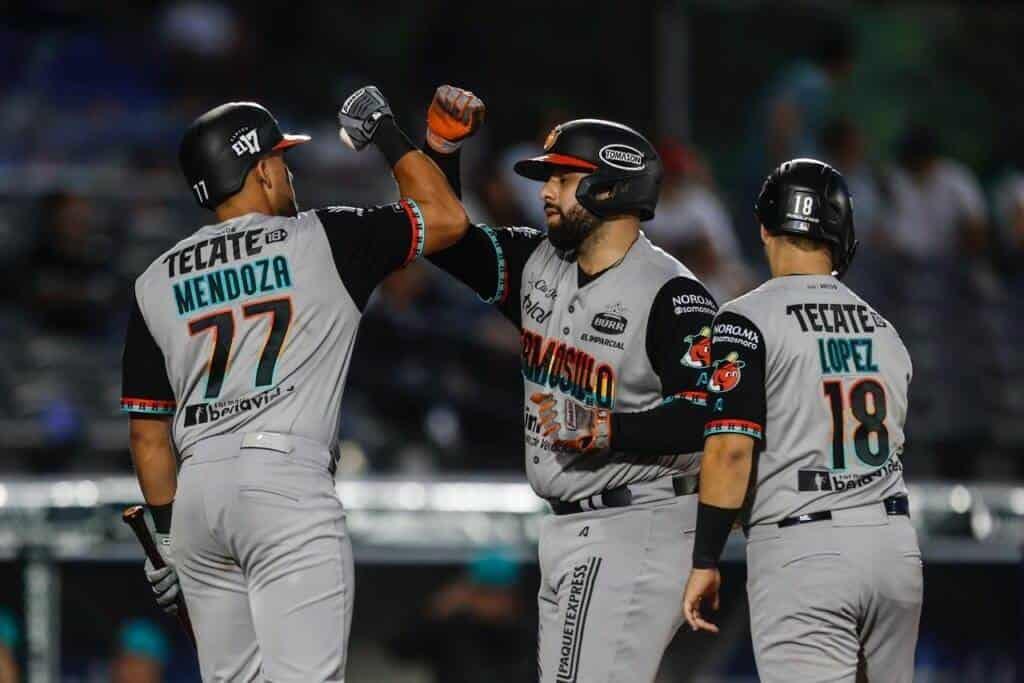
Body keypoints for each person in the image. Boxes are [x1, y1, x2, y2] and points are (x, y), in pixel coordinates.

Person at [122, 88, 468, 681]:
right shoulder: (323, 238)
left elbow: (148, 437)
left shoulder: (154, 281)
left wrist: (166, 533)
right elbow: (447, 219)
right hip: (284, 485)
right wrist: (385, 130)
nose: (287, 170)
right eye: (279, 159)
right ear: (259, 169)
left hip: (199, 500)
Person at [425, 87, 718, 682]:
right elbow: (445, 237)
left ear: (610, 188)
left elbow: (710, 415)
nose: (545, 192)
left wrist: (609, 428)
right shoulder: (539, 262)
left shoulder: (673, 294)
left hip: (637, 520)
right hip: (571, 526)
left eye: (562, 178)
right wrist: (440, 150)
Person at [682, 159, 923, 682]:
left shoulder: (745, 319)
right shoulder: (885, 330)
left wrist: (705, 558)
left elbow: (730, 449)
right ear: (843, 238)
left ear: (765, 227)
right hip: (894, 548)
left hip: (805, 547)